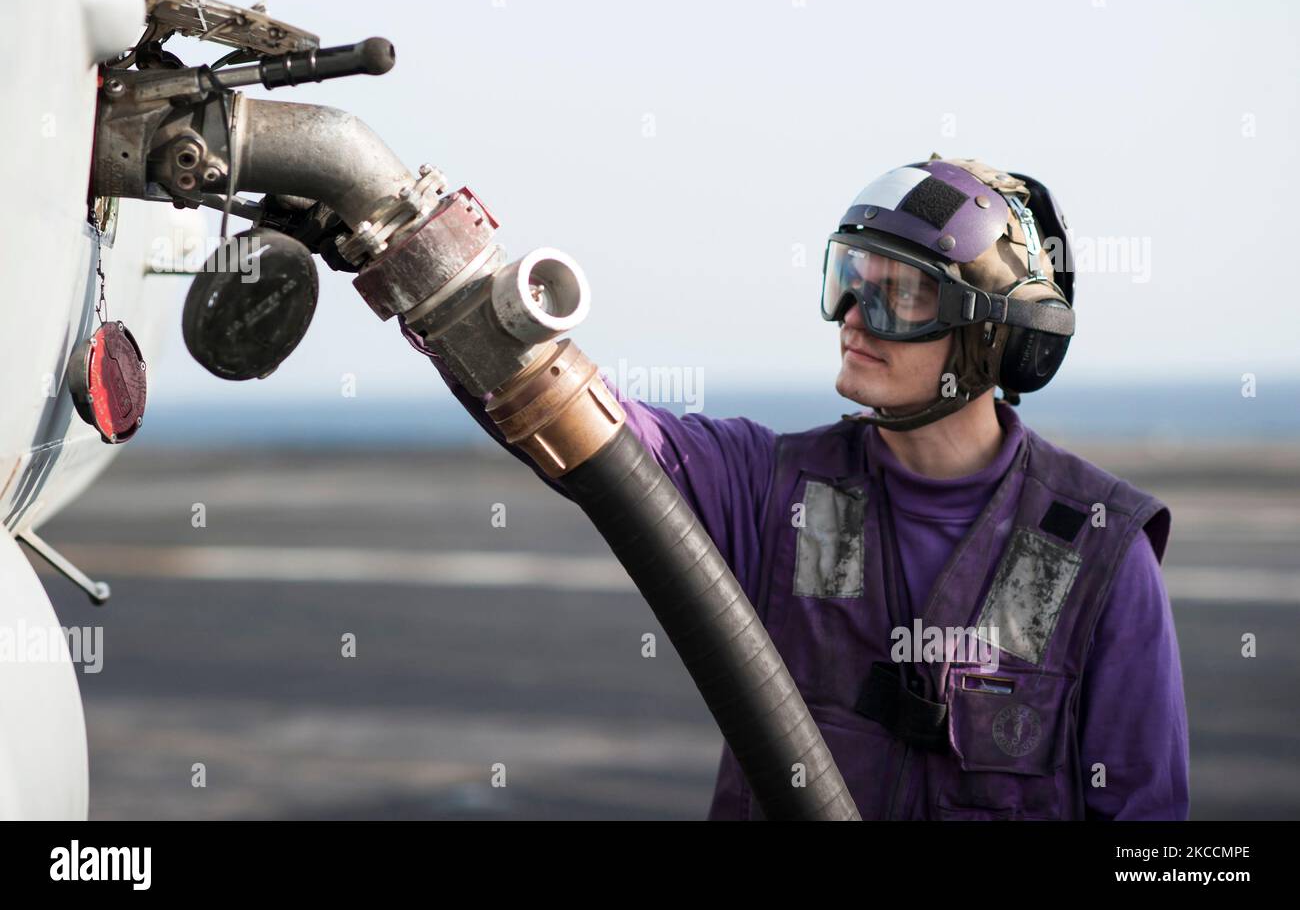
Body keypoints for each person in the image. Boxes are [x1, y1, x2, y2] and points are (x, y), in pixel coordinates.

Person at [410, 156, 1190, 820]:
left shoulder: (1095, 550)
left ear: (992, 338)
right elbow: (576, 421)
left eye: (901, 295)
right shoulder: (767, 487)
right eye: (849, 280)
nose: (855, 317)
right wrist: (414, 252)